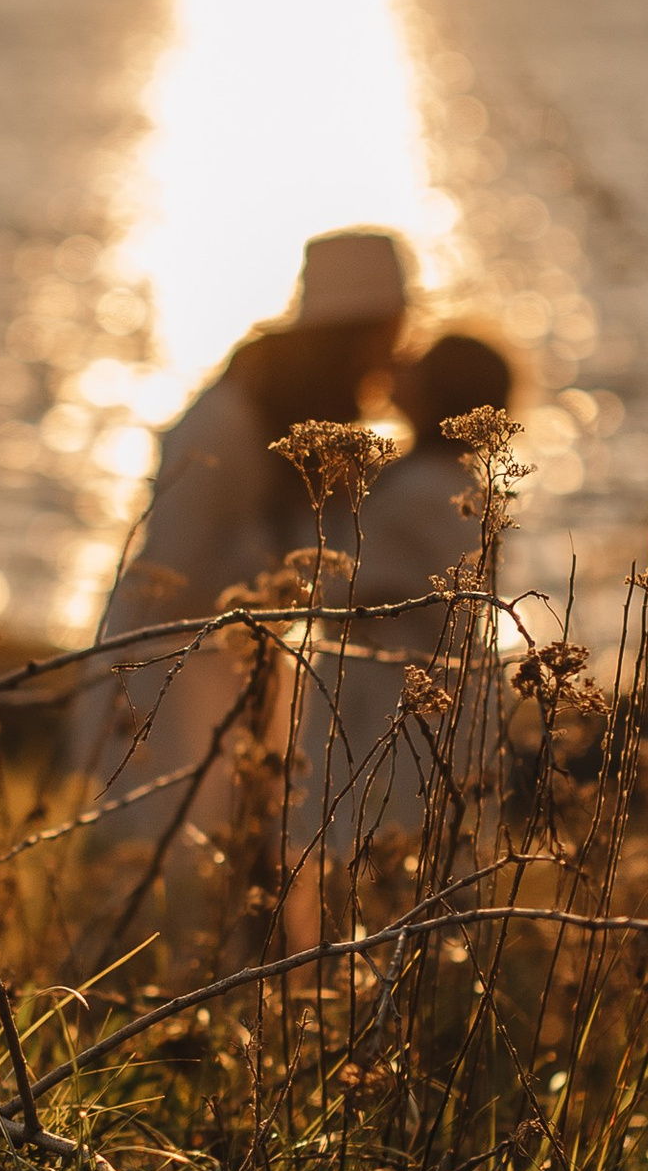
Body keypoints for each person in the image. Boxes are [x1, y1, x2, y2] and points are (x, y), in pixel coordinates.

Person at [66, 229, 411, 899]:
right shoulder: (231, 419)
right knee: (165, 891)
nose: (392, 357)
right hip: (162, 680)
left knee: (235, 887)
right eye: (385, 336)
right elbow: (175, 571)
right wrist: (301, 559)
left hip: (226, 673)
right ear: (350, 337)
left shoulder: (279, 405)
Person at [288, 327, 518, 886]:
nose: (398, 367)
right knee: (410, 853)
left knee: (377, 849)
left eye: (418, 364)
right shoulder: (447, 479)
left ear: (437, 393)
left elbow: (337, 579)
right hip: (421, 687)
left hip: (396, 693)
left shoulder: (421, 490)